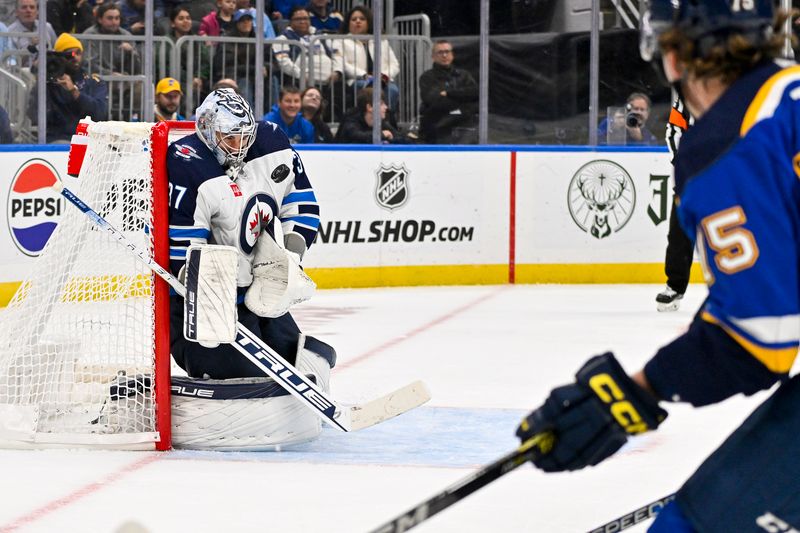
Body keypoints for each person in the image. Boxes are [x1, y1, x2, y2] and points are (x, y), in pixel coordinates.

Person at [516, 1, 800, 531]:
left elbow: (761, 338)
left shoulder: (730, 140)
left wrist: (634, 393)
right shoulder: (789, 96)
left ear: (674, 54)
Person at [166, 88, 334, 448]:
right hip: (201, 306)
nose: (238, 145)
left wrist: (288, 258)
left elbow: (302, 205)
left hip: (257, 290)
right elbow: (183, 249)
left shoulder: (272, 140)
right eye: (230, 136)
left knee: (311, 361)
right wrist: (208, 294)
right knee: (251, 377)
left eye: (245, 136)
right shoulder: (186, 161)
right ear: (208, 129)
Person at [28, 32, 108, 143]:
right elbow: (34, 116)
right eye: (68, 55)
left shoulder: (93, 82)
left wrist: (75, 92)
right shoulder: (49, 83)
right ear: (58, 58)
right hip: (58, 139)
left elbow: (100, 113)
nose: (75, 58)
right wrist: (40, 78)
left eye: (78, 53)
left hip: (89, 139)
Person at [656, 92, 694, 312]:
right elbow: (674, 131)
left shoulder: (738, 88)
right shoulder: (686, 93)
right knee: (679, 234)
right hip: (690, 178)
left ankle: (745, 289)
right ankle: (675, 286)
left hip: (728, 177)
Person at [334, 5, 400, 113]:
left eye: (362, 19)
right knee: (367, 88)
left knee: (393, 90)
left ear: (368, 22)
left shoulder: (381, 40)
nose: (358, 21)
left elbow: (394, 65)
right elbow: (342, 64)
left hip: (383, 80)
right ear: (348, 23)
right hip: (358, 80)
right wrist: (364, 75)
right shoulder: (342, 41)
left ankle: (386, 121)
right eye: (354, 19)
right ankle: (367, 121)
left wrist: (383, 76)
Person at [418, 39, 478, 144]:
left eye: (447, 51)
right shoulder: (427, 77)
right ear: (433, 56)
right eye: (440, 52)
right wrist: (461, 99)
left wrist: (449, 93)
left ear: (452, 55)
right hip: (438, 125)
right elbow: (432, 100)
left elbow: (474, 93)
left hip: (464, 126)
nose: (444, 55)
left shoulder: (464, 75)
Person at [273, 6, 339, 90]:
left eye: (305, 18)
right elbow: (284, 62)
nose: (302, 21)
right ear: (290, 21)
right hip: (300, 82)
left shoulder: (321, 36)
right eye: (298, 19)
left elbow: (337, 55)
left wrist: (337, 71)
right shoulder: (282, 39)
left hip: (330, 82)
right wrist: (301, 75)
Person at [82, 3, 141, 76]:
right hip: (98, 79)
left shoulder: (126, 36)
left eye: (117, 18)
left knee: (142, 82)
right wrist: (111, 75)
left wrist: (131, 53)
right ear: (100, 19)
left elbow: (136, 70)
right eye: (110, 18)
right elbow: (89, 65)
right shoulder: (89, 35)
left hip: (122, 79)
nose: (114, 22)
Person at [335, 87, 401, 144]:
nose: (386, 107)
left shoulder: (380, 123)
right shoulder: (350, 120)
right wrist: (382, 135)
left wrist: (392, 140)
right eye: (381, 104)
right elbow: (357, 136)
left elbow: (403, 139)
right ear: (369, 107)